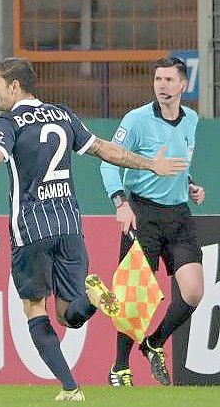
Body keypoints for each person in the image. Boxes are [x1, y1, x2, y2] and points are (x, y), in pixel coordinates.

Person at [0, 57, 187, 401]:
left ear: (14, 85)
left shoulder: (8, 123)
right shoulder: (62, 114)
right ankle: (94, 299)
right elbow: (104, 150)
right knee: (70, 315)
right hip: (69, 225)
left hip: (32, 228)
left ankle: (70, 388)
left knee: (34, 308)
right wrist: (150, 164)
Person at [100, 57, 205, 387]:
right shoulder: (136, 120)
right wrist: (120, 202)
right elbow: (107, 163)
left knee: (193, 292)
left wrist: (189, 183)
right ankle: (119, 367)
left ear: (183, 85)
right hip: (141, 214)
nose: (162, 85)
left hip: (178, 215)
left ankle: (154, 342)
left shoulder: (191, 119)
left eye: (170, 80)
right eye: (158, 79)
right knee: (134, 299)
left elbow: (179, 160)